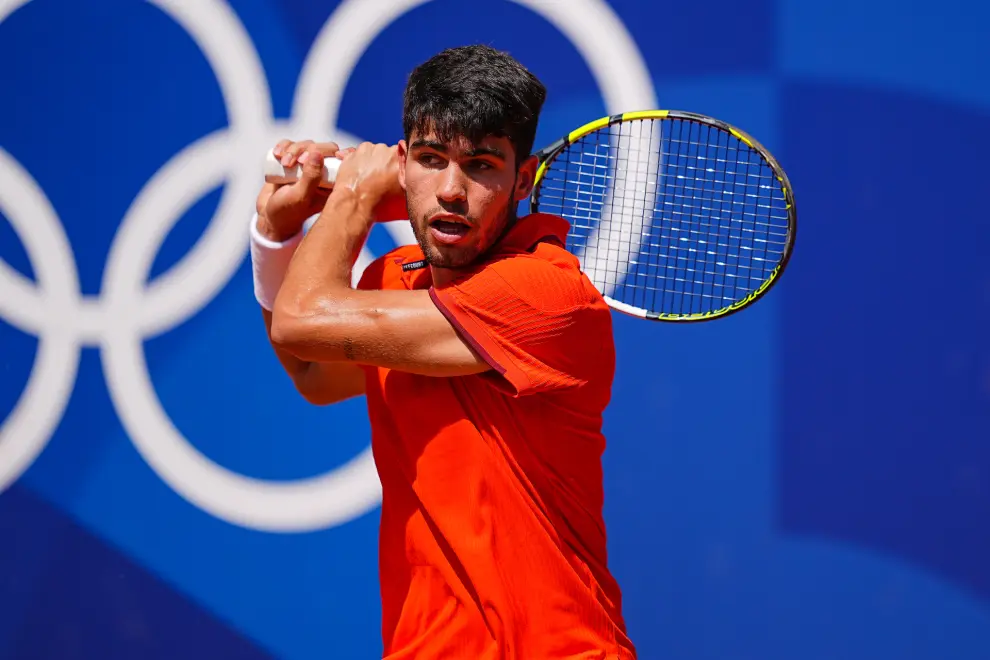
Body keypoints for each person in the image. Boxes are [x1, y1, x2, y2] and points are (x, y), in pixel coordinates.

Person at [249, 45, 636, 659]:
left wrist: (351, 199)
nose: (452, 190)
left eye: (481, 165)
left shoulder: (548, 295)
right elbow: (312, 371)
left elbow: (299, 322)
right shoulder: (394, 276)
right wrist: (276, 235)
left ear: (523, 180)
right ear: (402, 165)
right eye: (431, 160)